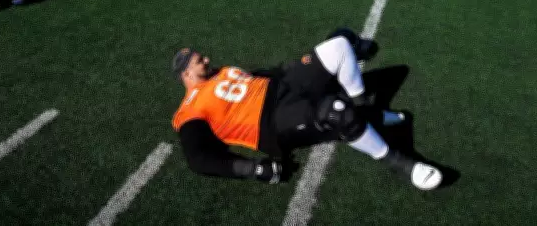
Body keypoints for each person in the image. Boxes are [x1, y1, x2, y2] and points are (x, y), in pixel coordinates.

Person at [171, 34, 443, 190]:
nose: (207, 59)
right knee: (336, 111)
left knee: (338, 45)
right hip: (272, 121)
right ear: (186, 74)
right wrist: (253, 169)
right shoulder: (190, 109)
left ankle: (366, 112)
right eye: (199, 61)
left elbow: (259, 77)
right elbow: (198, 159)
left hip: (282, 86)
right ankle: (398, 162)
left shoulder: (221, 72)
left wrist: (296, 68)